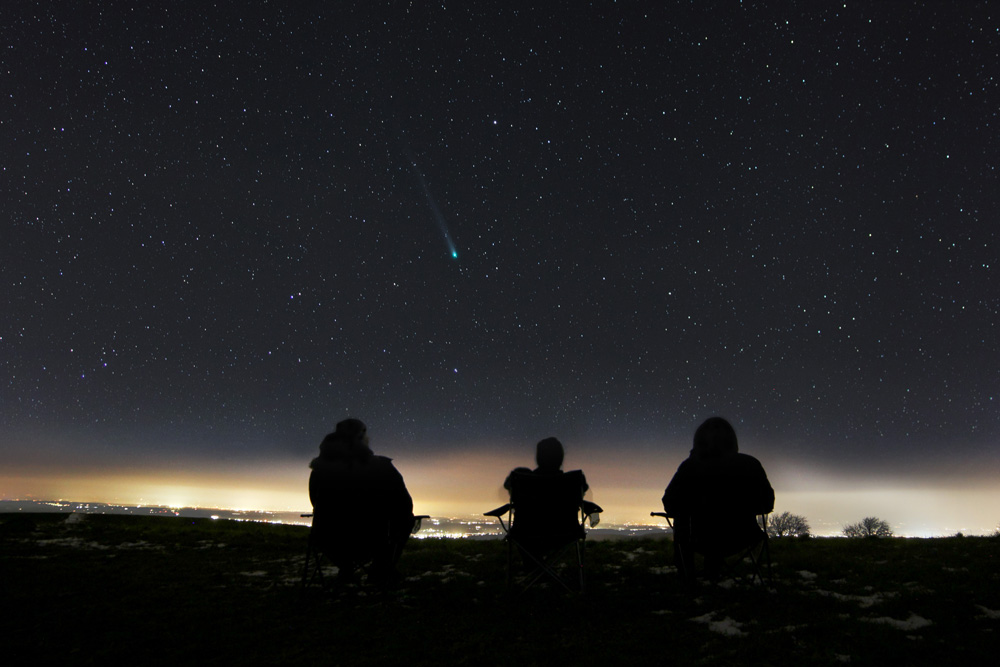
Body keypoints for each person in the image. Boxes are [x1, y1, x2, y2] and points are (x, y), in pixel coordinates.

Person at [661, 417, 774, 577]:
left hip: (699, 540)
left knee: (682, 520)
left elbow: (670, 503)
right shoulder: (751, 464)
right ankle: (713, 569)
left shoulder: (690, 466)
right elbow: (767, 504)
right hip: (741, 538)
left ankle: (687, 574)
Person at [308, 418, 413, 584]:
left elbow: (315, 501)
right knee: (407, 519)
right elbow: (404, 504)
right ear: (361, 436)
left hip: (329, 539)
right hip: (372, 539)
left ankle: (346, 569)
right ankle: (381, 569)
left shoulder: (320, 468)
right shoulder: (382, 466)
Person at [503, 437, 593, 553]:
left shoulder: (523, 479)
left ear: (538, 457)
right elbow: (583, 491)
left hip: (526, 533)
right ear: (561, 458)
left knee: (526, 543)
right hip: (565, 534)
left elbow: (507, 485)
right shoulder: (574, 480)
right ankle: (541, 568)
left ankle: (533, 567)